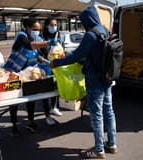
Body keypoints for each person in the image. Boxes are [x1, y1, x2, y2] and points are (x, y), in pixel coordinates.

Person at [50, 6, 117, 159]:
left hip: (95, 80)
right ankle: (112, 144)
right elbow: (92, 54)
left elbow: (76, 56)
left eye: (83, 21)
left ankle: (99, 150)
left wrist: (56, 62)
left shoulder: (91, 35)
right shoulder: (105, 30)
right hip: (107, 77)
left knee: (97, 114)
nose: (83, 24)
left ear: (87, 19)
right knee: (109, 111)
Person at [3, 17, 58, 136]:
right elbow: (29, 46)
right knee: (14, 100)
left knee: (30, 98)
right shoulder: (21, 36)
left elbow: (36, 55)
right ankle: (14, 125)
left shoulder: (36, 38)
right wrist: (48, 42)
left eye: (38, 29)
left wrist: (45, 61)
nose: (37, 31)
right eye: (34, 29)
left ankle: (31, 122)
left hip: (28, 75)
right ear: (27, 28)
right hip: (13, 73)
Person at [41, 16, 64, 117]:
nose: (54, 27)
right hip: (46, 68)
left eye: (55, 25)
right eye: (51, 25)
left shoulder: (58, 37)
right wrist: (46, 62)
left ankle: (54, 107)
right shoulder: (42, 38)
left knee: (56, 89)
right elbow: (40, 54)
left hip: (57, 67)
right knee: (46, 92)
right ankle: (47, 116)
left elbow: (61, 50)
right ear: (46, 26)